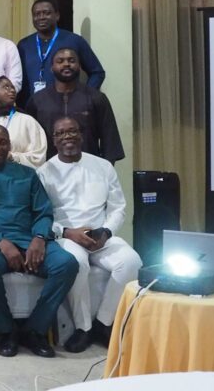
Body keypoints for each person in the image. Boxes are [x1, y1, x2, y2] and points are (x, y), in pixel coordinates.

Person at [0, 124, 78, 358]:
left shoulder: (27, 174)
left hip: (30, 239)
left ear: (9, 145)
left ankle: (35, 330)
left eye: (2, 141)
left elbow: (44, 212)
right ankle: (6, 330)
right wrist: (0, 242)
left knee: (67, 264)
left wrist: (39, 238)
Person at [37, 117, 141, 353]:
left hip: (101, 236)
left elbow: (118, 208)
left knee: (131, 261)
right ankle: (83, 327)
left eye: (72, 131)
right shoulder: (44, 173)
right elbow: (43, 215)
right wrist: (67, 232)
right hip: (66, 237)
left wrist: (106, 231)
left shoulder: (103, 166)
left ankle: (104, 322)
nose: (68, 136)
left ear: (81, 135)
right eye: (61, 133)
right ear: (54, 140)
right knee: (77, 263)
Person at [26, 48, 124, 163]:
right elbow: (30, 140)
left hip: (89, 167)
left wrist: (105, 169)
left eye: (71, 61)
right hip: (49, 167)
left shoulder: (96, 98)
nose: (66, 64)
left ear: (79, 66)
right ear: (52, 68)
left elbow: (110, 140)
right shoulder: (37, 100)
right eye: (60, 61)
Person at [17, 0, 105, 105]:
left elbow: (97, 72)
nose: (41, 17)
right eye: (37, 14)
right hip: (31, 108)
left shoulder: (74, 40)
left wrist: (84, 97)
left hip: (66, 107)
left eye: (46, 13)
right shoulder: (24, 45)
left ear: (57, 15)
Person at [0, 76, 48, 169]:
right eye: (6, 87)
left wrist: (12, 157)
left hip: (20, 175)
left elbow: (39, 156)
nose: (12, 90)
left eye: (13, 87)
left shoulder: (28, 121)